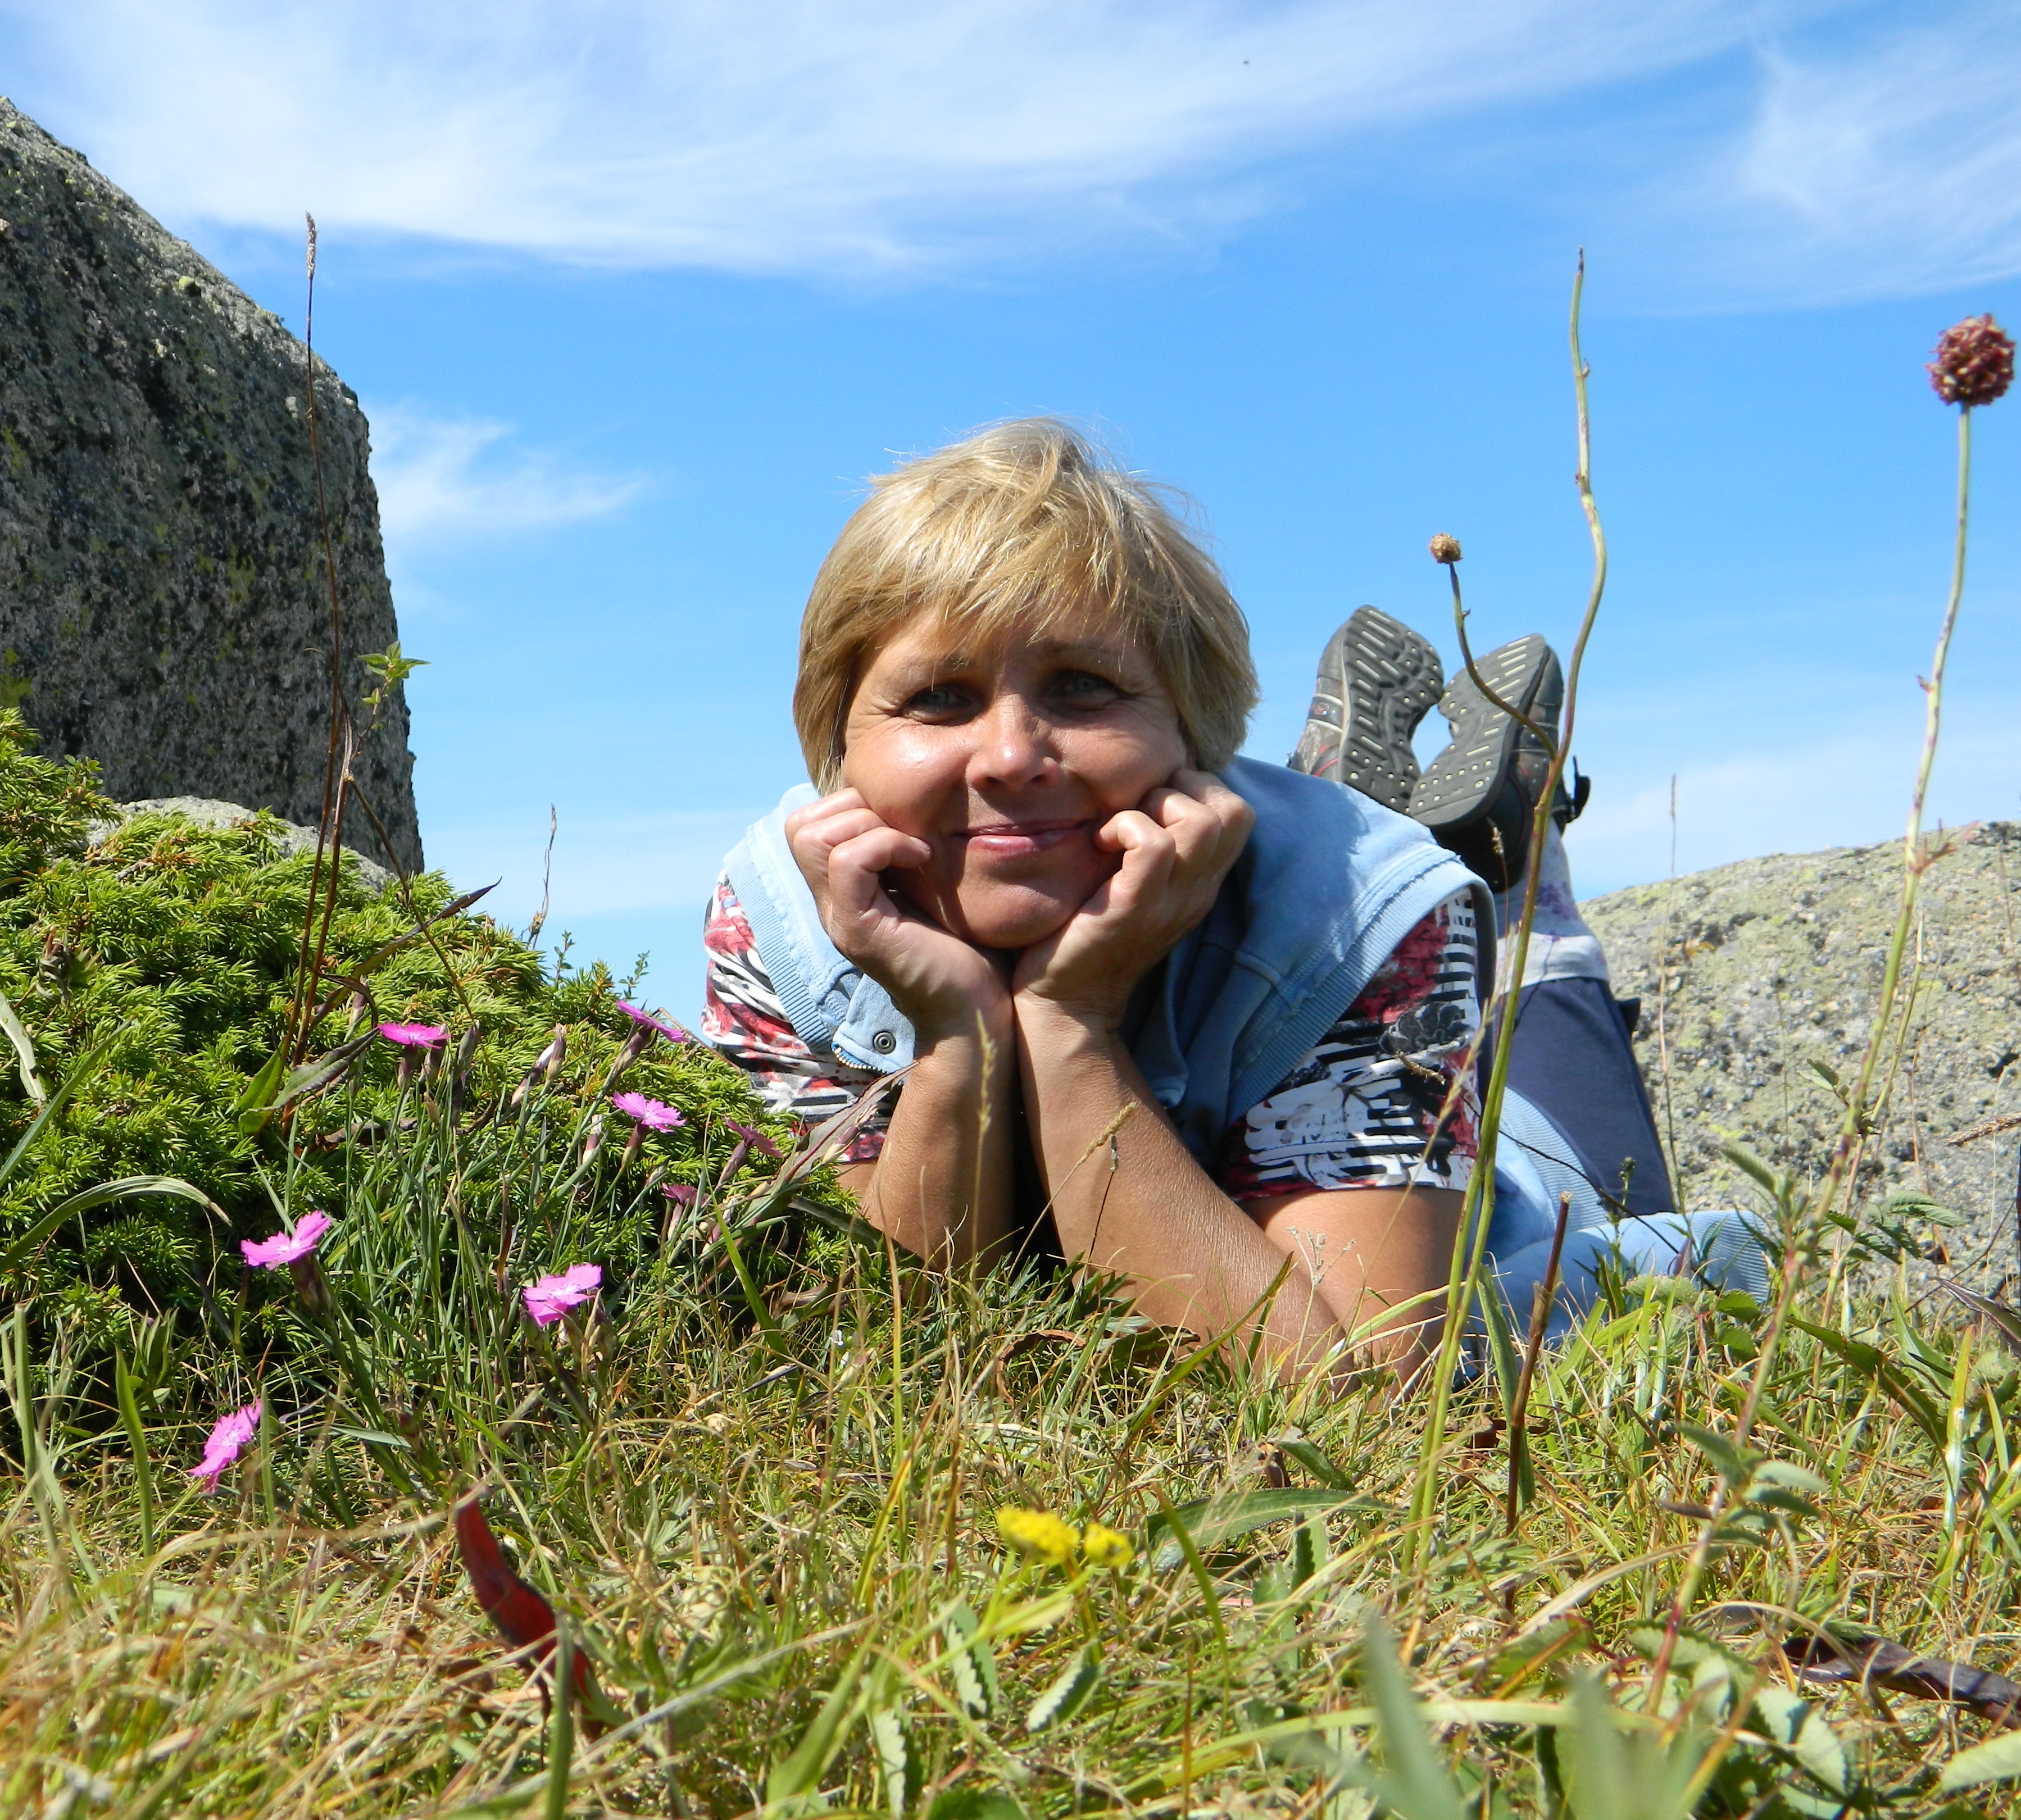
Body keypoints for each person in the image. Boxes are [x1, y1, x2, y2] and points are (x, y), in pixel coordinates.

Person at [701, 420, 1760, 1375]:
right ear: (841, 744)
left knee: (1618, 1204)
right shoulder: (782, 917)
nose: (1013, 756)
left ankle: (1523, 870)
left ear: (1193, 735)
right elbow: (881, 1361)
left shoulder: (1361, 918)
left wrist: (1070, 1026)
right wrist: (956, 1038)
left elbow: (1354, 1397)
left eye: (1084, 687)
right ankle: (1353, 800)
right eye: (938, 699)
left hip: (1498, 1168)